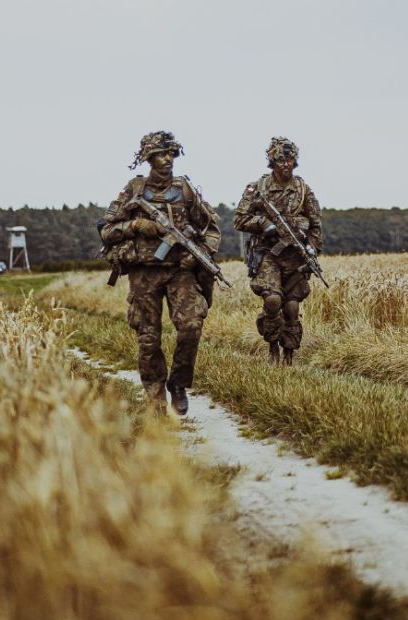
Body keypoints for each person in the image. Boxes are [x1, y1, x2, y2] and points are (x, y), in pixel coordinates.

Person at [99, 131, 222, 417]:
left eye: (171, 154)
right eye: (161, 154)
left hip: (180, 272)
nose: (168, 160)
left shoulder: (185, 190)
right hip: (144, 275)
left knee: (191, 326)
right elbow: (106, 231)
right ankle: (155, 397)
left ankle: (178, 384)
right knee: (148, 338)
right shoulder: (134, 190)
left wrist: (200, 254)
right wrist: (136, 226)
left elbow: (211, 228)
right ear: (149, 158)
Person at [233, 137, 323, 365]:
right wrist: (263, 224)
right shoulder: (259, 188)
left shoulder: (303, 189)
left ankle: (289, 355)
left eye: (290, 159)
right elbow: (240, 219)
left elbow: (315, 224)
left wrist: (312, 248)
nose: (286, 164)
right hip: (267, 254)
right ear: (272, 161)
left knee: (292, 307)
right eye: (281, 160)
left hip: (295, 256)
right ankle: (273, 347)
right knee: (273, 300)